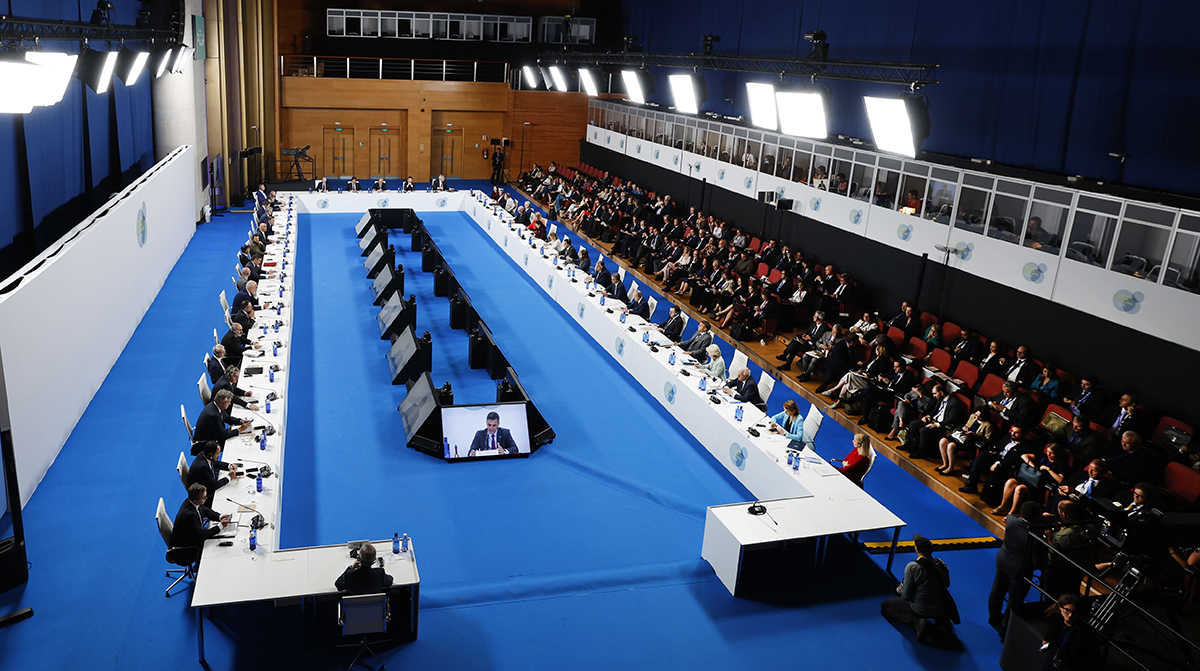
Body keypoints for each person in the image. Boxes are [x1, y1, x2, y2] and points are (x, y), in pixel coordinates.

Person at [881, 534, 957, 644]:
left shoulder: (913, 567)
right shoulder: (941, 563)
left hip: (921, 608)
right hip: (941, 607)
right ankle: (942, 629)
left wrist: (900, 590)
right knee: (942, 617)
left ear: (916, 549)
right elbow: (946, 584)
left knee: (886, 606)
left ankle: (917, 622)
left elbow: (906, 596)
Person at [988, 501, 1042, 633]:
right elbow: (1037, 561)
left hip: (1003, 560)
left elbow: (1011, 515)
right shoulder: (1034, 537)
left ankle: (993, 616)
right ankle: (1006, 626)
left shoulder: (1011, 521)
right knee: (1014, 599)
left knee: (997, 590)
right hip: (1020, 570)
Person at [990, 443, 1073, 516]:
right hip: (1028, 477)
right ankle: (1003, 506)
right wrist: (1032, 465)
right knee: (1010, 482)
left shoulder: (1060, 464)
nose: (1049, 454)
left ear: (1057, 454)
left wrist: (1048, 469)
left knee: (1019, 488)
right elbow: (1024, 455)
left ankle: (1012, 513)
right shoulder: (1044, 457)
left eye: (1052, 453)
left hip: (1038, 484)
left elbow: (1060, 480)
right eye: (1048, 452)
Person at [959, 425, 1035, 499]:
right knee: (981, 458)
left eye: (1016, 433)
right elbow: (998, 444)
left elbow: (1014, 459)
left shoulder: (1027, 446)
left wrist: (998, 463)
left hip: (1006, 463)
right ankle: (970, 485)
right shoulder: (1008, 436)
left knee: (997, 470)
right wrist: (993, 449)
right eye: (1012, 431)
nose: (1013, 434)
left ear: (1024, 435)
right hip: (996, 456)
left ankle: (987, 496)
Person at [1040, 594, 1101, 671]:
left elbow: (1092, 657)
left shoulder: (1083, 632)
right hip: (1054, 657)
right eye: (1067, 610)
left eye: (1074, 612)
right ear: (1060, 608)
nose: (1070, 615)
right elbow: (1047, 637)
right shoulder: (1056, 620)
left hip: (1071, 664)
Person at [171, 483, 231, 552]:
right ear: (195, 499)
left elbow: (206, 511)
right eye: (203, 497)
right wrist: (220, 526)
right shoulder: (190, 515)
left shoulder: (191, 502)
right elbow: (201, 536)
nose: (206, 498)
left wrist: (219, 517)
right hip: (187, 547)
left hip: (193, 535)